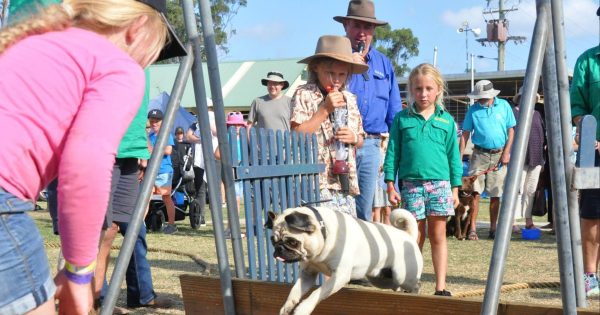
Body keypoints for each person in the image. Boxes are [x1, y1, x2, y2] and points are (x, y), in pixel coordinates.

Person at [0, 0, 185, 314]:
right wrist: (79, 270)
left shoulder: (33, 40)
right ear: (137, 27)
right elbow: (86, 161)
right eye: (153, 50)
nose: (147, 62)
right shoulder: (119, 65)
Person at [384, 63, 461, 297]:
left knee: (438, 235)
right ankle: (411, 282)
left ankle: (440, 286)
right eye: (418, 89)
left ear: (438, 89)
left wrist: (455, 189)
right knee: (414, 236)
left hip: (440, 185)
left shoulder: (447, 121)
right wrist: (389, 183)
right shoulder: (401, 119)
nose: (423, 94)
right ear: (411, 90)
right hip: (410, 185)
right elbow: (393, 152)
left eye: (429, 88)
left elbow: (454, 157)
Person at [93, 103, 173, 312]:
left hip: (131, 155)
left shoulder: (142, 73)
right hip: (105, 152)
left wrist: (142, 149)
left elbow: (137, 117)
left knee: (135, 230)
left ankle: (141, 295)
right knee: (105, 231)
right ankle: (100, 300)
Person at [334, 0, 402, 221]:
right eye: (357, 26)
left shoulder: (384, 63)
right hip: (339, 142)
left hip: (372, 144)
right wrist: (350, 65)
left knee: (364, 207)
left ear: (373, 30)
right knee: (339, 203)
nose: (362, 33)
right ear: (346, 26)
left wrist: (394, 147)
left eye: (367, 27)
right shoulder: (333, 59)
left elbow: (394, 111)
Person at [291, 35, 365, 217]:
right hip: (315, 181)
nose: (336, 80)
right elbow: (296, 134)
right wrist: (324, 109)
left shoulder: (350, 98)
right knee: (321, 234)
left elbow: (361, 138)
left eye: (342, 74)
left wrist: (354, 138)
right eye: (330, 73)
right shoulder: (304, 94)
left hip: (345, 180)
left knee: (347, 236)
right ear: (316, 68)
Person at [459, 80, 516, 240]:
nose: (479, 100)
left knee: (496, 194)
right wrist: (458, 157)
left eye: (482, 97)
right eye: (478, 97)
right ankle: (472, 229)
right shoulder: (473, 110)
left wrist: (506, 153)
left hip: (499, 155)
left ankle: (493, 229)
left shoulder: (504, 106)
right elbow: (465, 134)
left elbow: (511, 131)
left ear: (491, 95)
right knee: (474, 193)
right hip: (479, 155)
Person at [570, 12, 600, 296]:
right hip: (595, 153)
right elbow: (577, 109)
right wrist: (590, 135)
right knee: (591, 214)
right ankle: (590, 275)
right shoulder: (587, 60)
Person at [511, 87, 545, 230]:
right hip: (519, 158)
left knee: (530, 190)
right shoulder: (513, 113)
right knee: (517, 189)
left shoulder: (537, 114)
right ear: (520, 98)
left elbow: (542, 135)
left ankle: (528, 220)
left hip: (536, 158)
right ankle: (511, 221)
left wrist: (543, 159)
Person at [147, 109, 178, 234]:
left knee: (166, 197)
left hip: (164, 171)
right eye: (152, 120)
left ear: (162, 122)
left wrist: (152, 148)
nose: (154, 123)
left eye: (157, 121)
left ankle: (172, 225)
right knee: (146, 198)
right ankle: (140, 225)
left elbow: (168, 150)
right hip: (151, 171)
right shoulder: (149, 136)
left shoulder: (166, 134)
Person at [372, 133, 391, 224]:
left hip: (385, 178)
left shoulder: (388, 144)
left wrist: (385, 167)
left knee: (387, 209)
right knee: (377, 208)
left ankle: (388, 233)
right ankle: (377, 231)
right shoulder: (373, 144)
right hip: (375, 179)